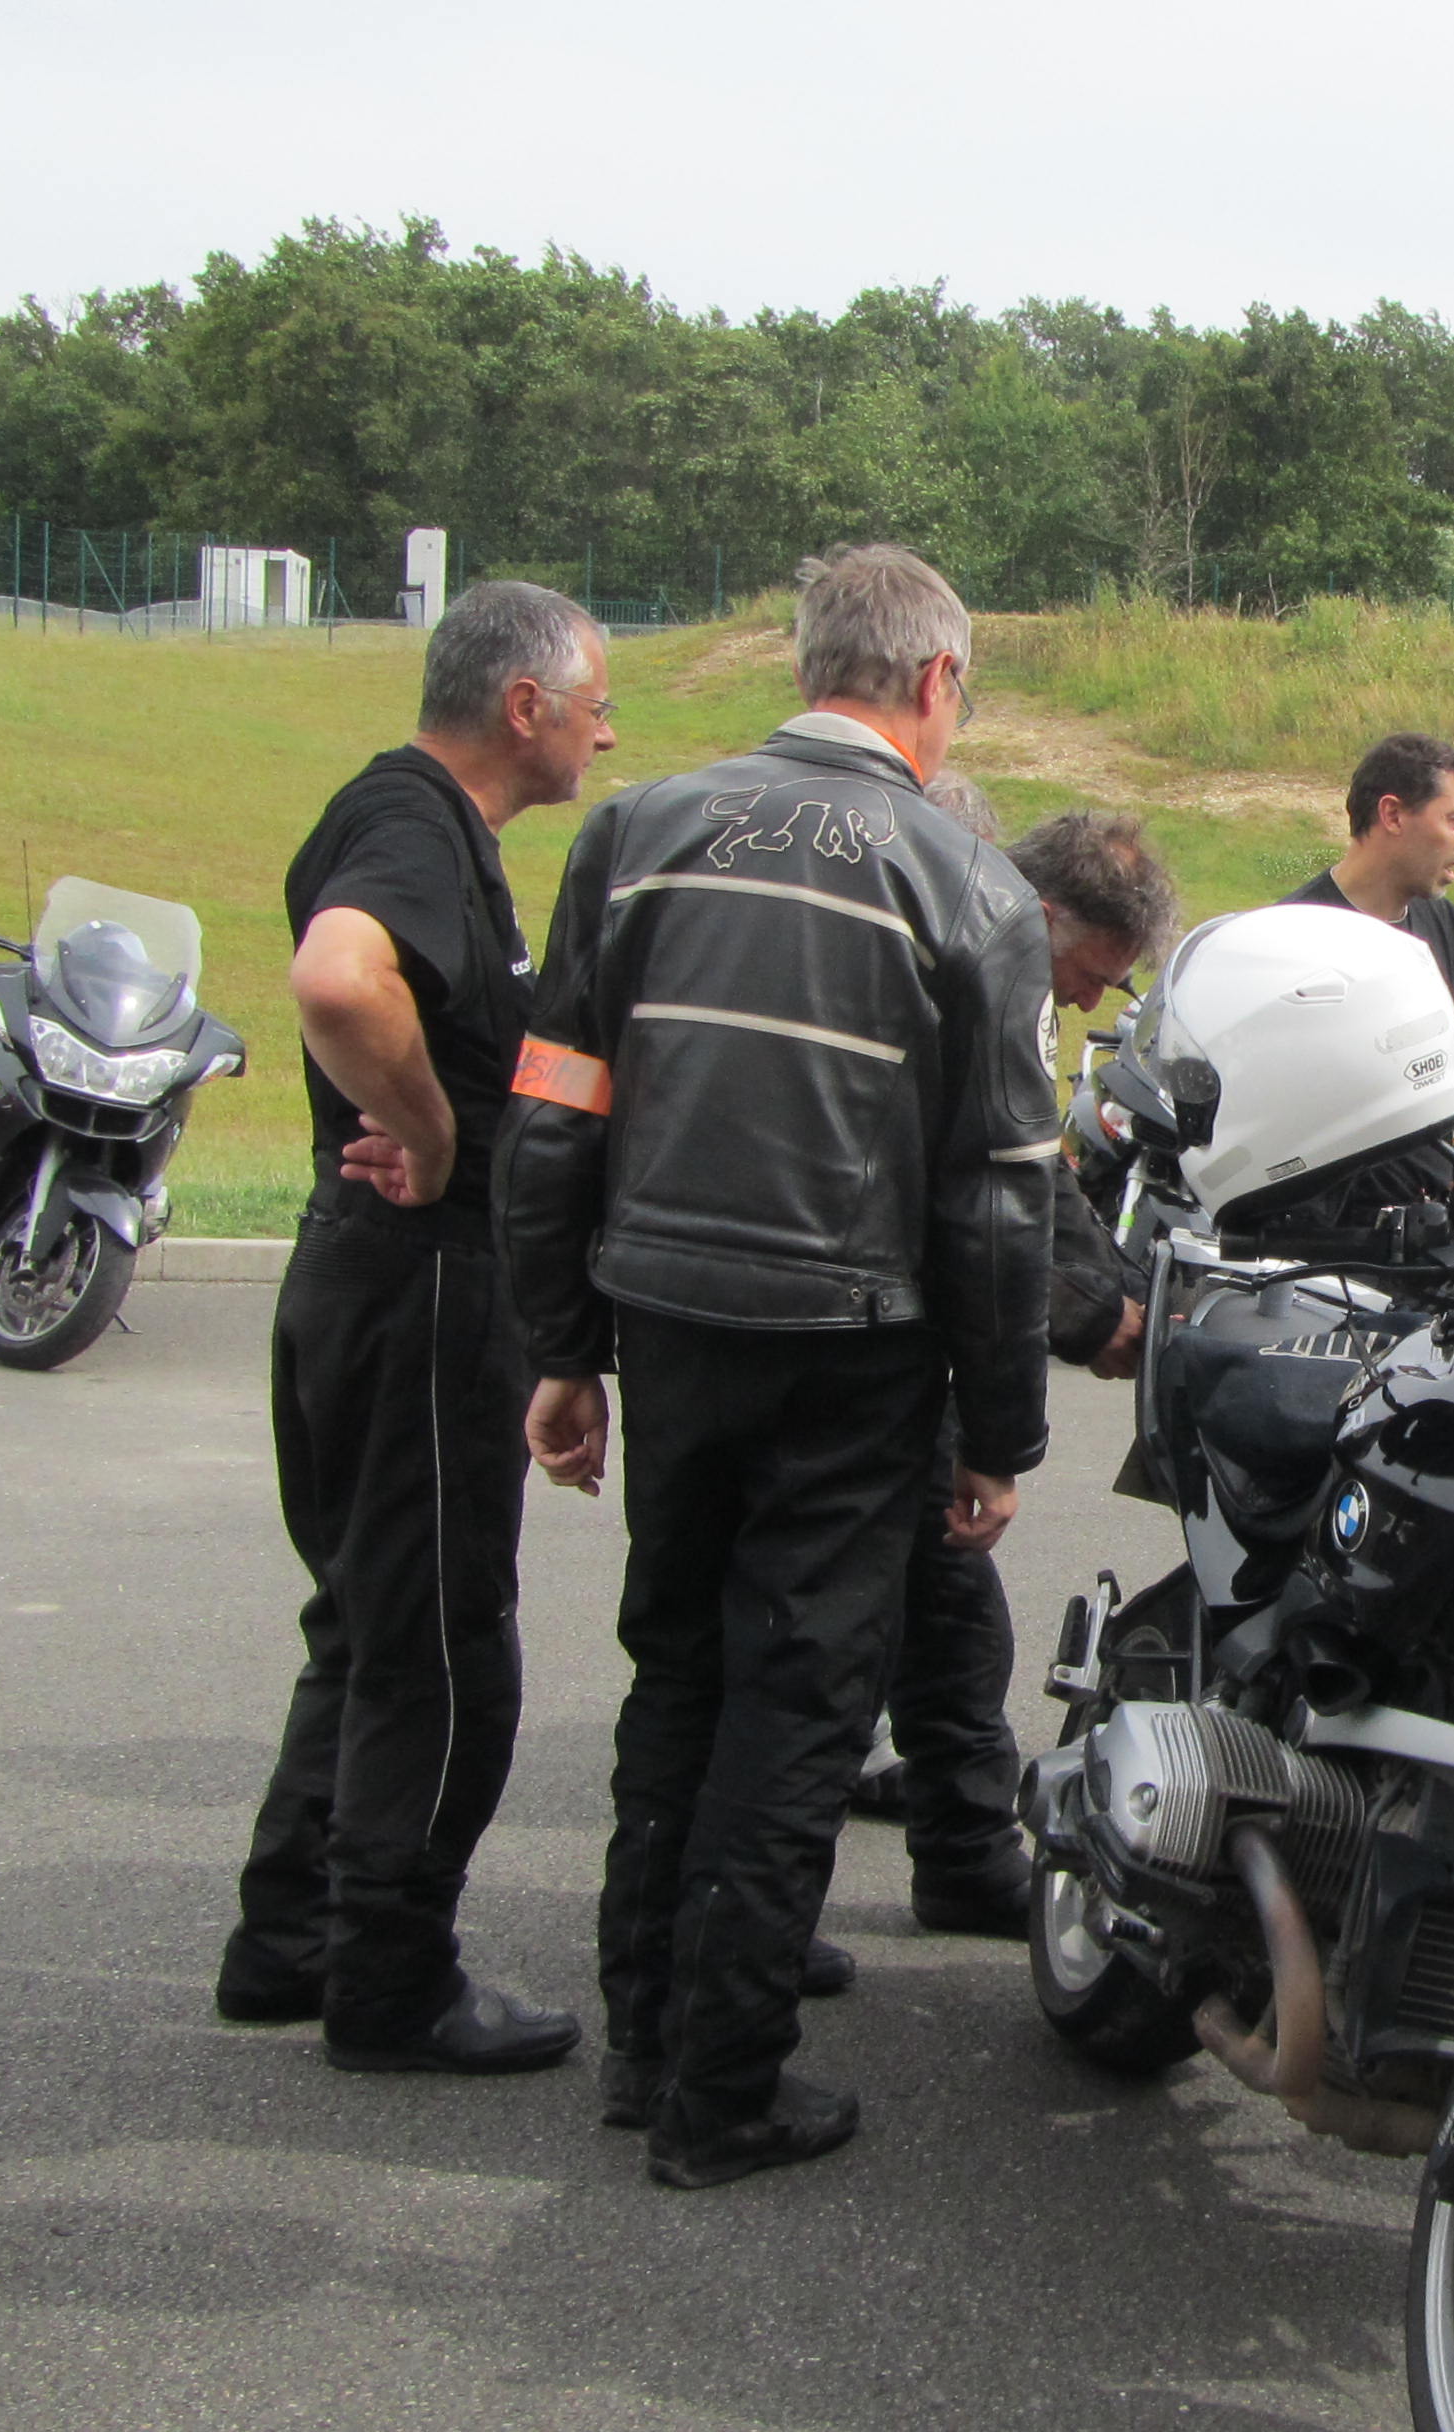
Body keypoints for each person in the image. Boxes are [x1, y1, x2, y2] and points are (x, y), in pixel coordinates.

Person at [498, 542, 1058, 2190]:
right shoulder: (972, 885)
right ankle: (722, 2090)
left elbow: (553, 1118)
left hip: (667, 1324)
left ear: (809, 663)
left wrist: (562, 1348)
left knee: (677, 1669)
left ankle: (646, 2045)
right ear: (937, 683)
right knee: (798, 1702)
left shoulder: (632, 833)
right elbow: (998, 1202)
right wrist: (998, 1434)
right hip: (850, 1348)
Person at [216, 579, 610, 2075]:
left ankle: (292, 1936)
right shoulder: (413, 822)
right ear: (525, 705)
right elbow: (337, 977)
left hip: (366, 1279)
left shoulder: (424, 825)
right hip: (420, 1284)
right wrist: (435, 1137)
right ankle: (390, 1981)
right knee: (443, 1650)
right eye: (595, 705)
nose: (605, 734)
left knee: (368, 1621)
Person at [850, 811, 1183, 1914]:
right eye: (1090, 973)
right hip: (879, 1346)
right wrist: (1091, 1323)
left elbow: (1040, 1176)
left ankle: (951, 1857)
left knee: (917, 1618)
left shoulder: (968, 967)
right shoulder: (974, 981)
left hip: (857, 1336)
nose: (1088, 1002)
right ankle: (943, 1866)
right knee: (920, 1617)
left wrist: (1120, 1294)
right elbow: (989, 1199)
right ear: (1040, 915)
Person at [1265, 735, 1454, 1219]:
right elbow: (1306, 1099)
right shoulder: (1290, 938)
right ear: (1392, 815)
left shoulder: (1453, 931)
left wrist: (1382, 1077)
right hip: (1321, 1235)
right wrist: (1448, 1066)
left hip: (1431, 1226)